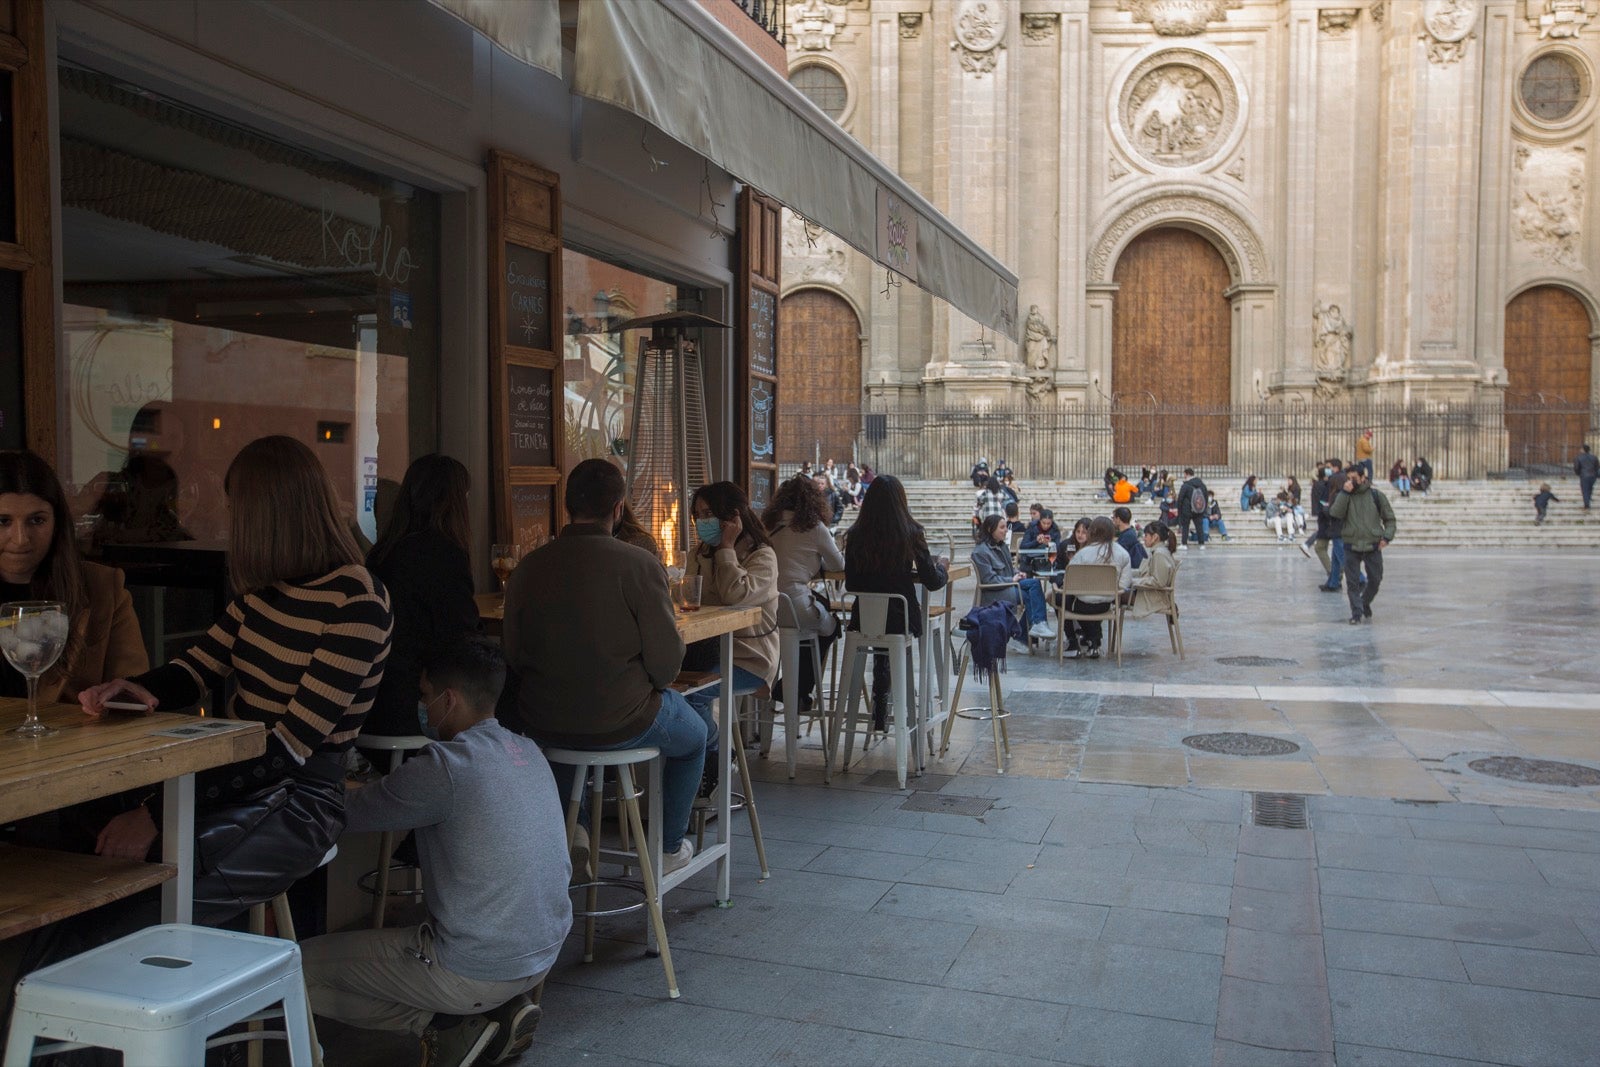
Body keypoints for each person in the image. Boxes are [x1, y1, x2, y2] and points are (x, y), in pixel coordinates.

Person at [80, 435, 394, 922]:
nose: (230, 522)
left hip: (300, 801)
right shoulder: (261, 593)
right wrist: (139, 688)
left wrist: (157, 814)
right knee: (108, 885)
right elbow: (196, 667)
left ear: (264, 515)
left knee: (148, 903)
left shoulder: (357, 601)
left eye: (235, 509)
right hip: (243, 783)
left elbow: (290, 748)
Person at [302, 638, 569, 1067]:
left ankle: (449, 1025)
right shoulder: (528, 750)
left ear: (449, 699)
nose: (421, 707)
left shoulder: (445, 765)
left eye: (424, 696)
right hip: (544, 951)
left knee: (295, 968)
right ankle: (484, 1015)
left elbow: (346, 815)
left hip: (476, 967)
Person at [499, 458, 703, 874]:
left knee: (566, 737)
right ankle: (666, 850)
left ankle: (569, 834)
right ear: (618, 508)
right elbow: (665, 670)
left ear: (567, 507)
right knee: (697, 737)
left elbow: (514, 656)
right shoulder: (639, 564)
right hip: (620, 719)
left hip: (542, 719)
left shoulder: (527, 568)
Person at [1, 450, 148, 707]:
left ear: (57, 522)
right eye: (3, 521)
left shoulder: (102, 587)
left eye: (37, 520)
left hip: (72, 741)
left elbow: (132, 693)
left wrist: (106, 702)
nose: (21, 538)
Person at [363, 454, 479, 737]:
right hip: (414, 709)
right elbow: (459, 637)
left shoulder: (382, 553)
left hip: (370, 707)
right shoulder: (443, 554)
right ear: (454, 501)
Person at [684, 481, 780, 789]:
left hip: (748, 658)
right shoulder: (701, 553)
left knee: (694, 692)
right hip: (707, 650)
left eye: (708, 513)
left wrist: (726, 548)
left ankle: (713, 752)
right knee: (670, 686)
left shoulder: (762, 556)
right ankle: (706, 755)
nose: (702, 522)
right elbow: (693, 596)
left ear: (732, 517)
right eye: (698, 515)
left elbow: (735, 595)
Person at [844, 475, 947, 729]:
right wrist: (942, 566)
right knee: (892, 626)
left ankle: (880, 711)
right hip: (902, 619)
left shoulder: (855, 535)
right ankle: (891, 713)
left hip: (864, 620)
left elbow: (851, 584)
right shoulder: (911, 532)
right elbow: (932, 581)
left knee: (881, 631)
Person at [761, 475, 842, 712]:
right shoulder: (815, 528)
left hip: (767, 609)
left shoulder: (767, 525)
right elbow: (838, 565)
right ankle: (794, 689)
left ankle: (791, 690)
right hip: (795, 606)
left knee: (815, 620)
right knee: (830, 627)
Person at [1329, 463, 1396, 625]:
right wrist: (1344, 493)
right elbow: (1335, 513)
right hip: (1351, 544)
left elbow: (1390, 519)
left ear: (1363, 477)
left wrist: (1386, 537)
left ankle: (1364, 602)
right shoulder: (1345, 495)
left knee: (1375, 579)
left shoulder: (1376, 496)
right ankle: (1356, 613)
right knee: (1352, 583)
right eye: (1349, 478)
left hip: (1372, 545)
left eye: (1354, 478)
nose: (1351, 481)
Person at [972, 515, 1053, 641]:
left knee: (1035, 583)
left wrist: (1018, 573)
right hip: (994, 591)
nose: (1006, 530)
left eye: (1006, 527)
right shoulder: (980, 552)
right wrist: (1012, 580)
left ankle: (1036, 627)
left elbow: (1009, 568)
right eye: (1002, 527)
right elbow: (988, 580)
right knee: (1031, 597)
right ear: (990, 529)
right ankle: (1028, 633)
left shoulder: (1002, 546)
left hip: (1007, 585)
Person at [1061, 516, 1130, 659]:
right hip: (1106, 605)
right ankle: (1093, 642)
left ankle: (1074, 643)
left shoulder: (1083, 554)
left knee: (1059, 598)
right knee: (1089, 601)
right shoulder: (1123, 554)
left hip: (1081, 604)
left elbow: (1068, 582)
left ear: (1091, 532)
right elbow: (1123, 585)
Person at [1126, 521, 1180, 621]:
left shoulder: (1159, 554)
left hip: (1155, 596)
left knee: (1115, 597)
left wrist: (1133, 581)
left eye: (1146, 535)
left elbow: (1158, 582)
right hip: (1153, 592)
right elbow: (1145, 571)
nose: (1144, 538)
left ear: (1155, 537)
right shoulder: (1158, 551)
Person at [1310, 458, 1347, 592]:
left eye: (1329, 467)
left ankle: (1358, 578)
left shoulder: (1337, 480)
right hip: (1329, 521)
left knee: (1336, 552)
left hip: (1331, 521)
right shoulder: (1334, 480)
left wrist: (1325, 510)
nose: (1327, 469)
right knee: (1335, 553)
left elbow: (1330, 502)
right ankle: (1333, 580)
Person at [1176, 468, 1210, 549]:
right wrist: (1203, 508)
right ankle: (1201, 544)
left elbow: (1180, 498)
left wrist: (1179, 509)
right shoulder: (1202, 485)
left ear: (1187, 474)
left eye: (1184, 474)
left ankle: (1184, 544)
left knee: (1185, 527)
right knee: (1199, 527)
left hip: (1187, 510)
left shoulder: (1186, 485)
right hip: (1198, 509)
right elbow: (1206, 497)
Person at [972, 475, 1008, 541]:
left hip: (988, 516)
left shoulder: (986, 492)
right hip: (998, 516)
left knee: (987, 533)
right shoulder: (1001, 492)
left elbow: (979, 500)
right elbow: (1007, 498)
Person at [1576, 444, 1598, 510]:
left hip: (1584, 475)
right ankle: (1589, 498)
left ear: (1583, 450)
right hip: (1593, 475)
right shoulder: (1594, 457)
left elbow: (1576, 467)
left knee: (1585, 490)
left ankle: (1587, 505)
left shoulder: (1578, 457)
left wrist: (1579, 473)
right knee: (1590, 488)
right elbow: (1597, 466)